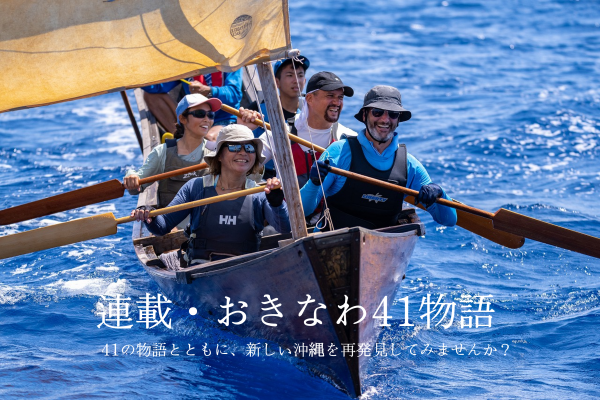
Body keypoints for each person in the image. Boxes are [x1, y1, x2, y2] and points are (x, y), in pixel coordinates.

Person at [301, 85, 457, 230]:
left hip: (381, 248)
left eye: (393, 114)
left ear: (398, 120)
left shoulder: (410, 166)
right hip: (332, 244)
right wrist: (314, 183)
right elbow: (303, 211)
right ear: (364, 115)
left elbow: (449, 220)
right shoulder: (338, 152)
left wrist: (440, 193)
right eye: (377, 112)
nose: (385, 120)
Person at [131, 124, 291, 264]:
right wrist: (149, 215)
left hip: (245, 272)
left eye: (249, 148)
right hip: (200, 269)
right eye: (235, 147)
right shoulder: (196, 187)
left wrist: (277, 204)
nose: (243, 152)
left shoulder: (260, 194)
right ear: (219, 155)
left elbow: (284, 228)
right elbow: (161, 227)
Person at [239, 71, 357, 187]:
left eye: (340, 97)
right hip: (285, 200)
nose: (337, 102)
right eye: (330, 96)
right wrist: (243, 130)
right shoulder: (281, 133)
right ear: (309, 98)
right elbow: (242, 166)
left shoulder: (348, 138)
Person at [123, 93, 220, 209]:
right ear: (182, 119)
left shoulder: (218, 152)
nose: (207, 120)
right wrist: (131, 176)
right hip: (171, 220)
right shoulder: (162, 152)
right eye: (200, 114)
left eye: (210, 115)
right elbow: (135, 189)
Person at [238, 56, 310, 178]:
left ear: (305, 80)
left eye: (300, 75)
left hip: (295, 174)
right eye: (290, 75)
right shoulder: (257, 109)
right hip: (258, 173)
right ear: (277, 82)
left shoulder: (307, 114)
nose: (296, 80)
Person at [141, 70, 243, 140]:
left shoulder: (229, 59)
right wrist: (137, 77)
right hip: (194, 117)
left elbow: (234, 94)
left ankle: (189, 142)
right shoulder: (186, 62)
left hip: (222, 119)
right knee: (151, 96)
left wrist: (209, 91)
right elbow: (158, 87)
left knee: (209, 138)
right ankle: (181, 138)